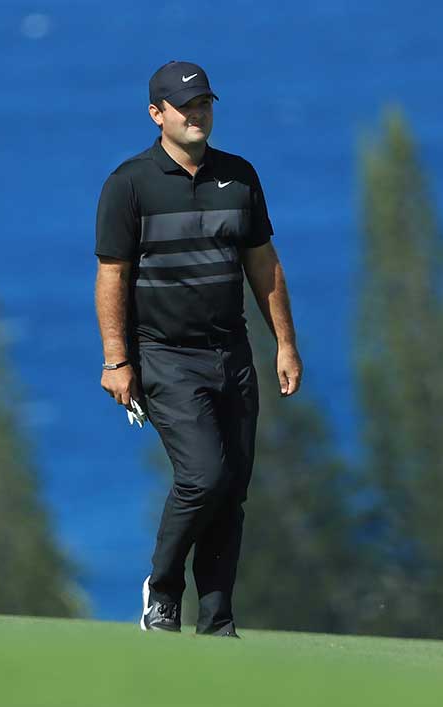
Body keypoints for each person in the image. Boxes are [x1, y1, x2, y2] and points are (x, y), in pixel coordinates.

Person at [93, 61, 303, 637]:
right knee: (202, 477)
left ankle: (218, 623)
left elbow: (263, 263)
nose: (197, 114)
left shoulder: (240, 176)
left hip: (232, 352)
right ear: (157, 115)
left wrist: (285, 342)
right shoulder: (129, 184)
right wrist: (117, 360)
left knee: (231, 491)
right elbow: (112, 276)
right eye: (184, 107)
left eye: (205, 103)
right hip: (164, 355)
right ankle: (162, 592)